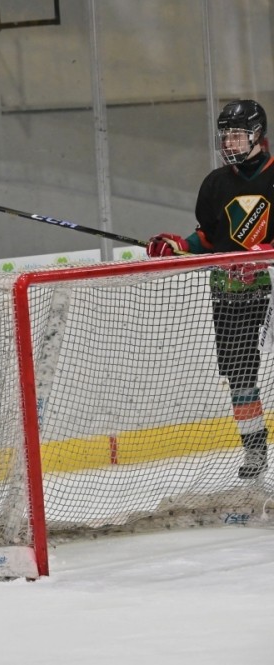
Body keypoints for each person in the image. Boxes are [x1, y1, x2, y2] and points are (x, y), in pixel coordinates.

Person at [146, 98, 273, 480]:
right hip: (230, 290)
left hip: (270, 287)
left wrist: (264, 254)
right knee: (239, 373)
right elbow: (208, 237)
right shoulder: (215, 183)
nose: (229, 143)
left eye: (237, 135)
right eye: (225, 136)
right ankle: (254, 449)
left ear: (257, 135)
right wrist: (178, 245)